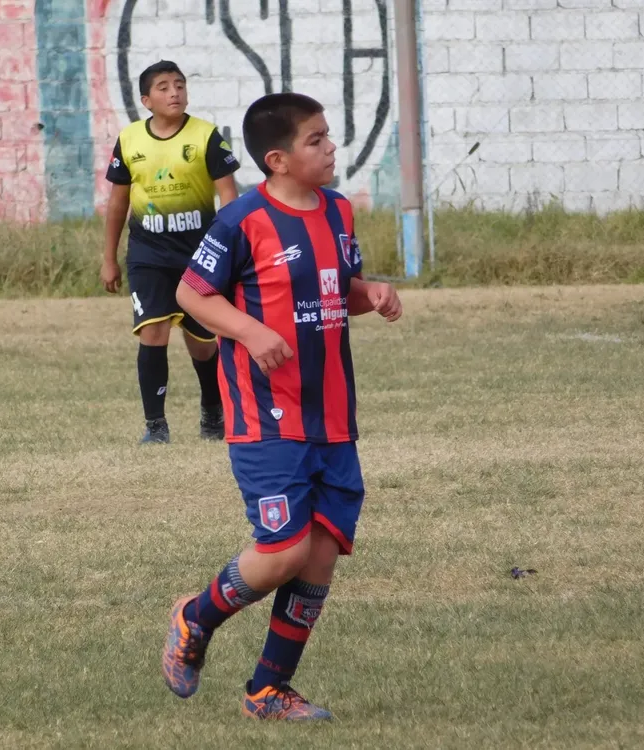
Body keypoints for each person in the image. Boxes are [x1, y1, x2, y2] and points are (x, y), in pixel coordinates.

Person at [161, 92, 403, 721]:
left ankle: (268, 689)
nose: (330, 149)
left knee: (320, 553)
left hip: (332, 415)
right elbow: (193, 293)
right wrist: (247, 330)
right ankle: (196, 616)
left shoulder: (339, 212)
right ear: (278, 159)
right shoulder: (243, 219)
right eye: (316, 140)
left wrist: (368, 293)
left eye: (328, 136)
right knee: (285, 550)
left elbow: (330, 290)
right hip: (267, 416)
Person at [102, 60, 240, 444]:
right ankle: (155, 427)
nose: (174, 92)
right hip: (148, 254)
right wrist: (109, 258)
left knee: (202, 343)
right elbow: (117, 204)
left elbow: (229, 199)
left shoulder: (206, 136)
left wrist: (230, 252)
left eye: (179, 85)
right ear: (146, 100)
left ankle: (212, 412)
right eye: (163, 87)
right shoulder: (130, 140)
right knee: (153, 332)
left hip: (199, 255)